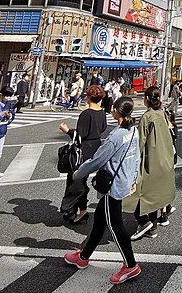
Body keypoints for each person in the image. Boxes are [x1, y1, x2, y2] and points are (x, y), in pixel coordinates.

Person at [64, 97, 142, 285]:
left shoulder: (116, 136)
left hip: (113, 185)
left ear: (116, 111)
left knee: (115, 226)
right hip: (124, 180)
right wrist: (133, 179)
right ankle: (83, 256)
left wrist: (78, 173)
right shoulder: (133, 130)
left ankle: (131, 265)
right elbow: (136, 156)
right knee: (99, 221)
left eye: (113, 108)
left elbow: (98, 160)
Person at [126, 87, 177, 241]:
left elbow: (140, 141)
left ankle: (145, 222)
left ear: (147, 98)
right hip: (165, 157)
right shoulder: (162, 113)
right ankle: (154, 225)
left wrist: (132, 160)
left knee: (140, 193)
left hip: (151, 159)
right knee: (155, 194)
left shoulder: (147, 117)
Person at [59, 85, 108, 223]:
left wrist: (67, 130)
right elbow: (103, 128)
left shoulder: (86, 114)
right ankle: (81, 211)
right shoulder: (102, 113)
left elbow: (80, 135)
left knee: (75, 179)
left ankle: (71, 209)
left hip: (83, 149)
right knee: (81, 178)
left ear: (89, 97)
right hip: (96, 147)